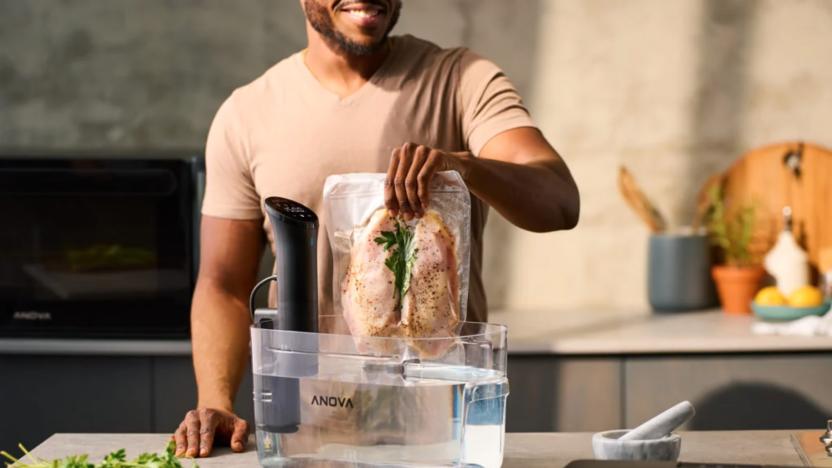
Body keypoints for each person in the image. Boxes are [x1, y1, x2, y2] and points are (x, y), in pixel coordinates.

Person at [173, 0, 579, 458]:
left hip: (442, 433)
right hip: (305, 433)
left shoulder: (460, 81)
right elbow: (223, 285)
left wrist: (464, 166)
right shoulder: (247, 114)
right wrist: (215, 400)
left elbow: (560, 202)